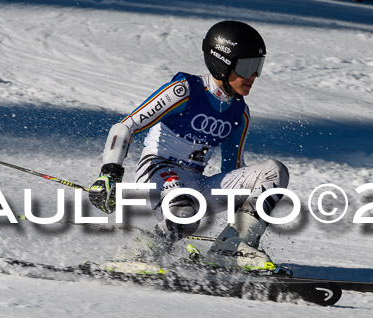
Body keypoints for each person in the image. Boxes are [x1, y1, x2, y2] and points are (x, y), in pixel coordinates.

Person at [88, 21, 289, 274]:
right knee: (185, 211)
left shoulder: (240, 112)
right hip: (158, 170)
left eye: (257, 67)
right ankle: (137, 254)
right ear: (222, 62)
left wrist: (244, 219)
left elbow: (233, 169)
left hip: (197, 181)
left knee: (273, 171)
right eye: (247, 66)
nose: (253, 77)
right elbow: (125, 126)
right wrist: (109, 174)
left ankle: (231, 249)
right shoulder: (185, 90)